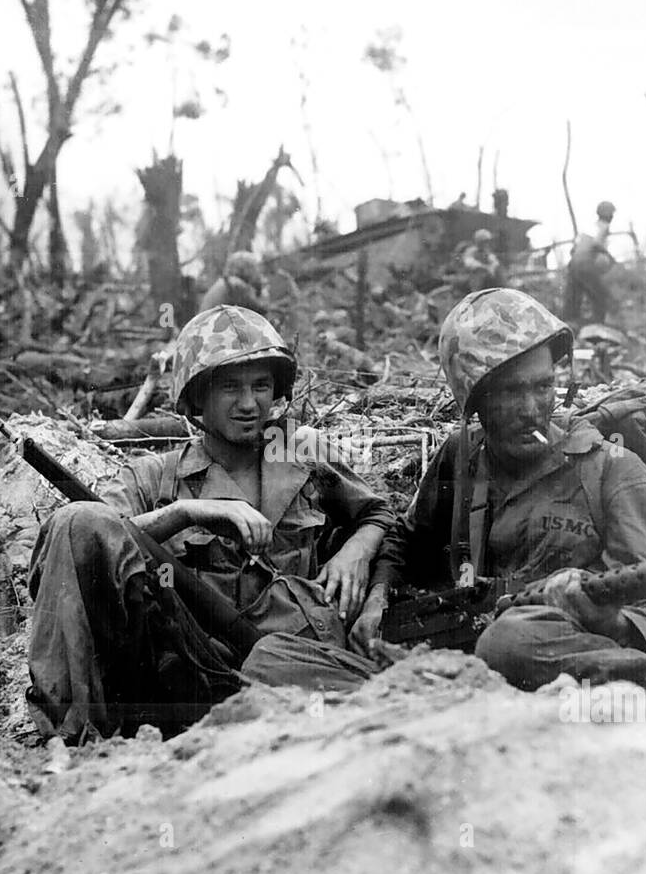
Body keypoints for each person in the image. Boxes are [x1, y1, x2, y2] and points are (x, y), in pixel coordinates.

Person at [25, 306, 394, 742]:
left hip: (289, 659)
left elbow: (380, 513)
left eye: (261, 385)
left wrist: (357, 551)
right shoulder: (153, 477)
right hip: (188, 673)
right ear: (197, 396)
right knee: (77, 518)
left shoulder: (302, 452)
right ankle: (68, 735)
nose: (248, 403)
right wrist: (185, 513)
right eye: (230, 387)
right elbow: (81, 539)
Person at [354, 288, 646, 691]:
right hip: (456, 659)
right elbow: (408, 542)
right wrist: (376, 597)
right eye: (511, 392)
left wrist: (609, 621)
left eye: (543, 386)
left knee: (508, 642)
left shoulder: (614, 472)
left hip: (547, 658)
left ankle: (639, 694)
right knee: (283, 653)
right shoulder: (462, 457)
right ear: (475, 400)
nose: (532, 407)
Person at [563, 200, 617, 325]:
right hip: (585, 265)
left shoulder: (588, 228)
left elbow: (573, 250)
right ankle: (599, 325)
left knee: (573, 298)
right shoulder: (604, 226)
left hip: (573, 264)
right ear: (608, 215)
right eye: (612, 214)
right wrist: (610, 256)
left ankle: (568, 327)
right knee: (601, 296)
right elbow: (597, 243)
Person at [200, 251, 266, 314]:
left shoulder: (225, 282)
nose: (258, 272)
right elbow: (257, 309)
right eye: (255, 268)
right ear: (247, 268)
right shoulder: (236, 285)